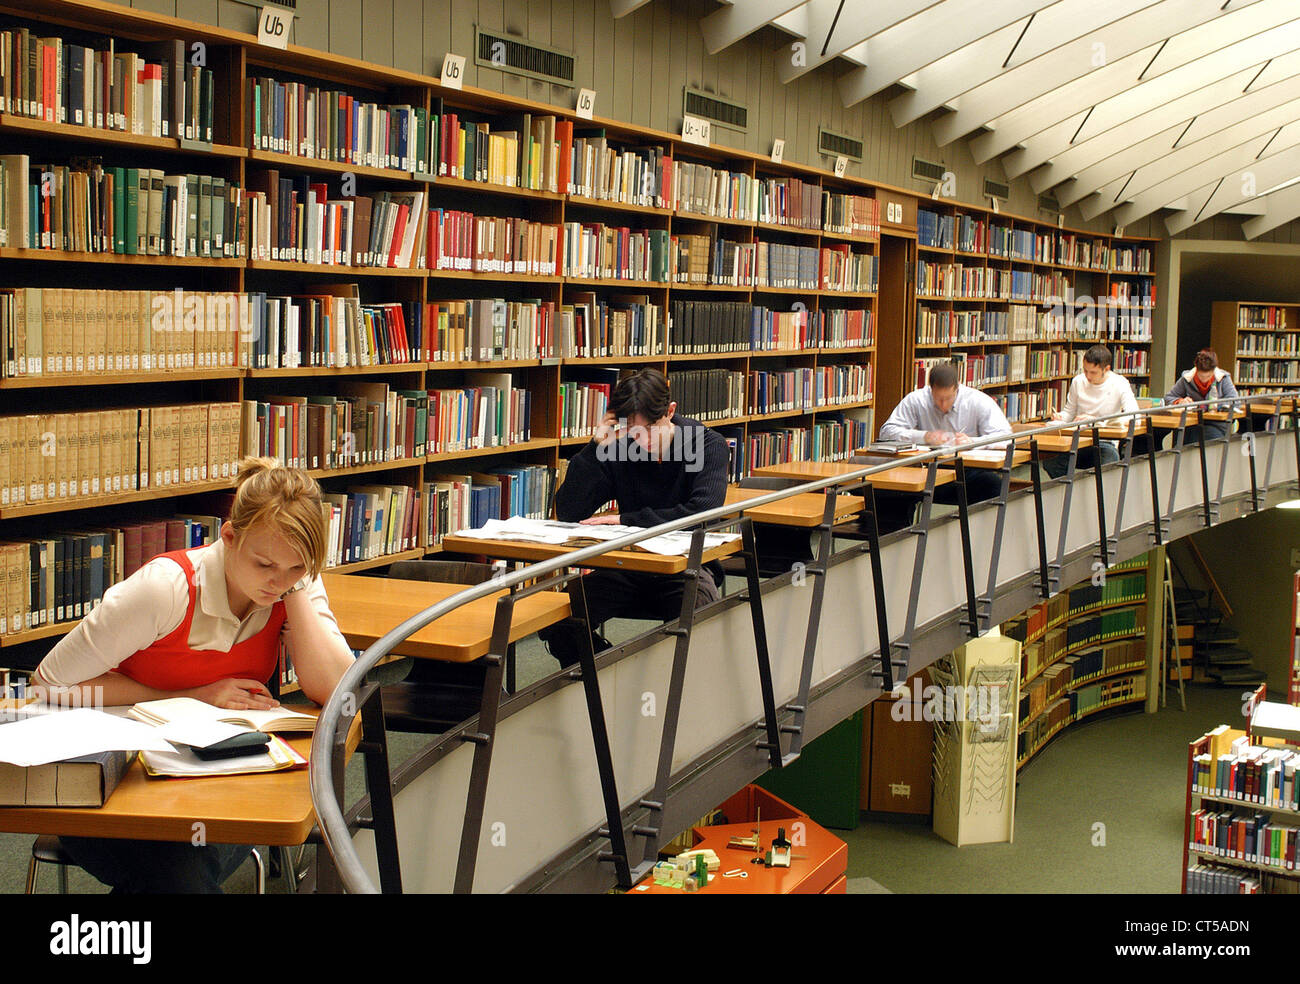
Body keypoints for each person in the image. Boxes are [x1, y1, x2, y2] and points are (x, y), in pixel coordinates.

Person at [31, 457, 356, 893]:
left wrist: (300, 587)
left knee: (180, 874)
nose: (277, 582)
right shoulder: (164, 589)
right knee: (180, 874)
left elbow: (338, 692)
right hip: (113, 786)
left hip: (221, 785)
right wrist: (194, 695)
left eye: (296, 568)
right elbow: (50, 683)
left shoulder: (292, 582)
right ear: (228, 536)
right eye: (264, 565)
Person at [538, 368, 728, 668]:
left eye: (652, 426)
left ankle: (673, 698)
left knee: (699, 624)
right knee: (559, 623)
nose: (644, 439)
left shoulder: (706, 444)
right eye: (633, 430)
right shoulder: (620, 447)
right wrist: (595, 447)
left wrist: (626, 520)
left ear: (671, 411)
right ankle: (606, 677)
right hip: (628, 565)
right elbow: (570, 511)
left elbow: (702, 510)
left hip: (685, 566)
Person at [874, 362, 1014, 529]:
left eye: (948, 399)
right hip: (924, 470)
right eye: (938, 399)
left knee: (992, 485)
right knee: (886, 489)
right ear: (930, 389)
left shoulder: (978, 401)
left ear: (957, 388)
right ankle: (895, 540)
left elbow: (1006, 438)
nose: (943, 405)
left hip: (964, 471)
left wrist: (973, 442)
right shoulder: (916, 399)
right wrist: (924, 436)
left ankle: (980, 537)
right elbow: (887, 431)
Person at [1043, 344, 1139, 478]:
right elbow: (1069, 412)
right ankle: (1068, 492)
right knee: (1051, 461)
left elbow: (1135, 416)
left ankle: (1098, 495)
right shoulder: (1078, 381)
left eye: (1093, 372)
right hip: (1078, 439)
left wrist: (1094, 420)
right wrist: (1060, 416)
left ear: (1106, 369)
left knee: (1109, 457)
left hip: (1104, 441)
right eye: (1085, 371)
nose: (1088, 376)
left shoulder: (1119, 383)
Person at [1164, 348, 1239, 443]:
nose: (1204, 380)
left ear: (1214, 371)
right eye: (1200, 376)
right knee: (1182, 436)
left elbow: (1235, 400)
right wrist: (1180, 401)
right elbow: (1168, 397)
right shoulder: (1187, 378)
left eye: (1208, 377)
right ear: (1196, 370)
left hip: (1216, 424)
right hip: (1191, 423)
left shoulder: (1223, 378)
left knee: (1203, 437)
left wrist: (1214, 406)